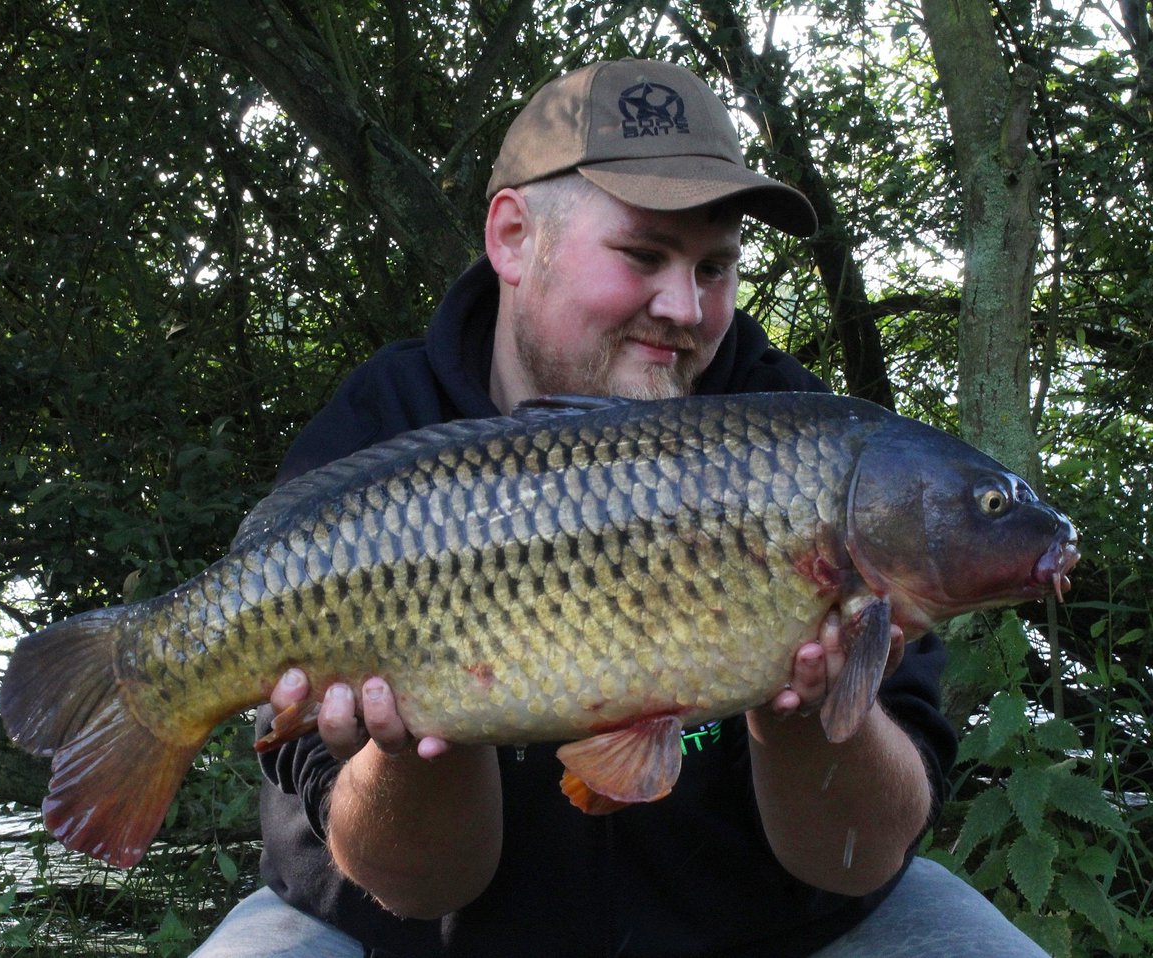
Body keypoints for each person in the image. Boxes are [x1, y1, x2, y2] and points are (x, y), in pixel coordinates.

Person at [192, 59, 1047, 958]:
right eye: (644, 254)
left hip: (771, 931)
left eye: (715, 267)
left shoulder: (810, 444)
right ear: (515, 238)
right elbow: (413, 887)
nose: (683, 307)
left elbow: (862, 857)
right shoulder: (382, 435)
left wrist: (803, 708)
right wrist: (408, 752)